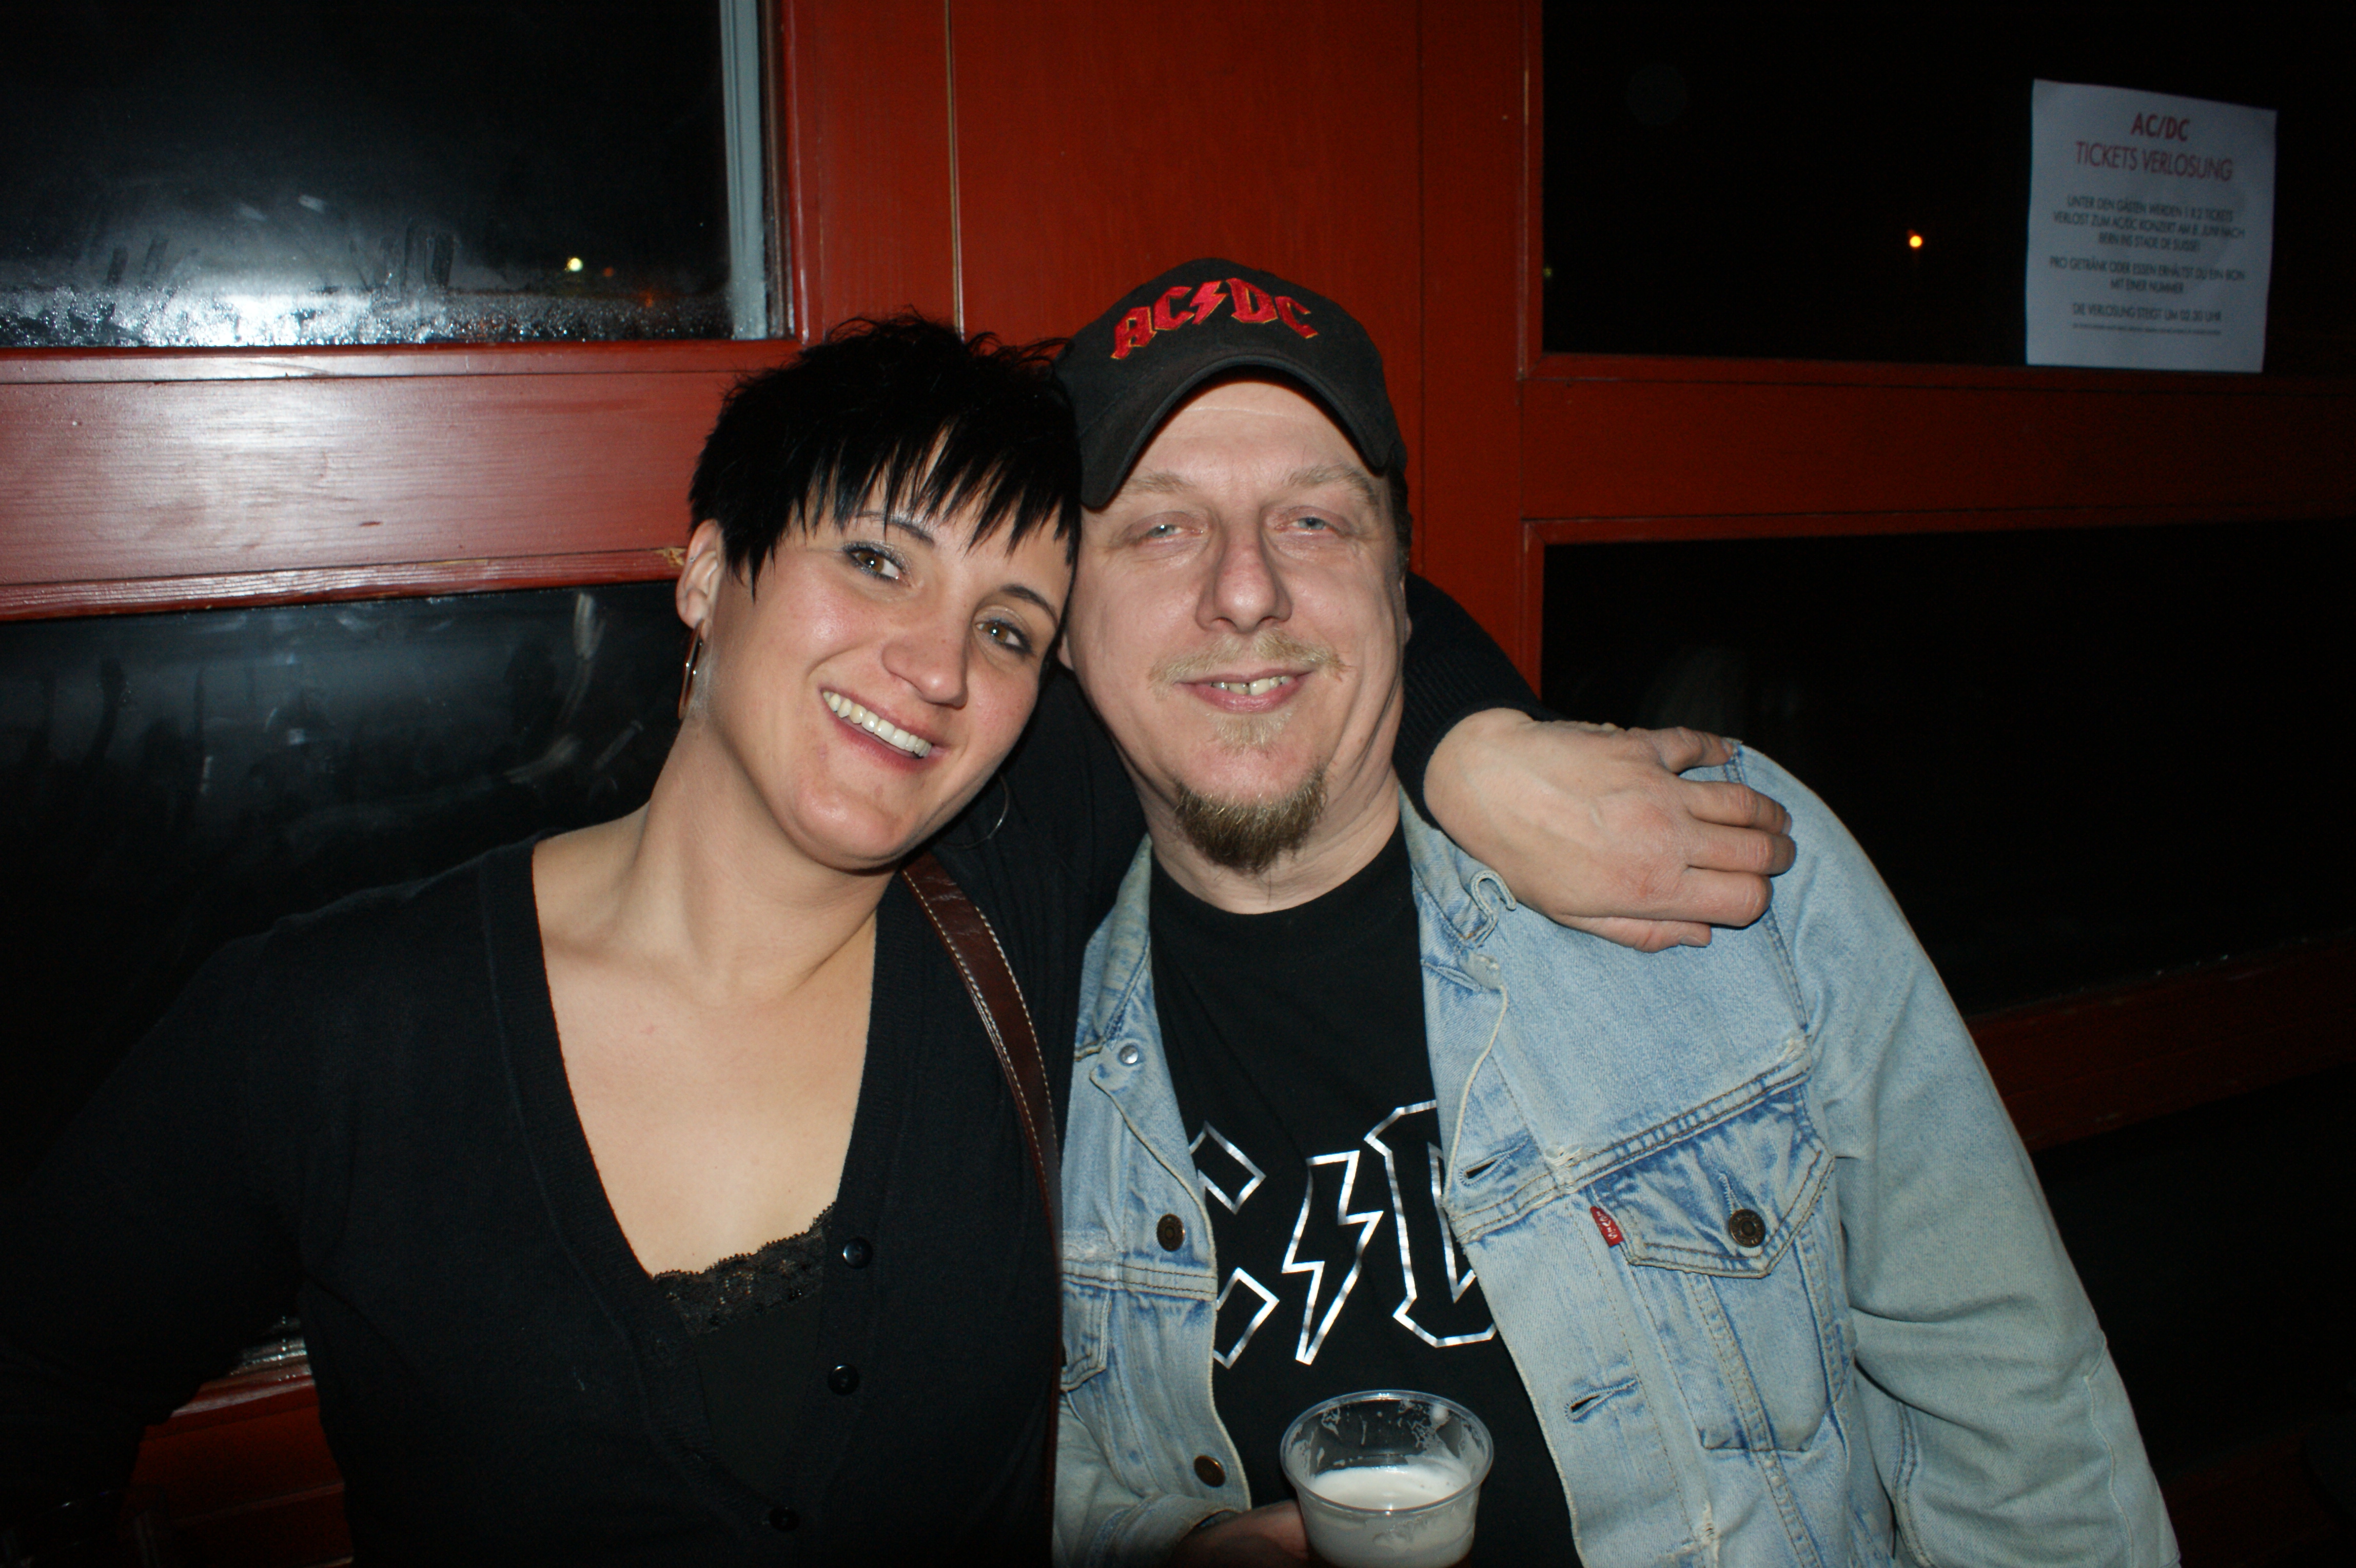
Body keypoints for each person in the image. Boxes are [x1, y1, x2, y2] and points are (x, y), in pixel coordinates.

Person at [0, 315, 1791, 1564]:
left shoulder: (1013, 894)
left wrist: (1481, 756)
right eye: (875, 562)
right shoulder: (334, 1030)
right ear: (709, 572)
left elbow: (1301, 616)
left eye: (1009, 626)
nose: (936, 668)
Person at [1047, 262, 2176, 1566]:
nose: (1246, 591)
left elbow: (2013, 1399)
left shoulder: (1724, 869)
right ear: (1063, 616)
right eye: (1161, 528)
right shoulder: (1015, 1047)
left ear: (1402, 589)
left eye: (1313, 520)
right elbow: (996, 1470)